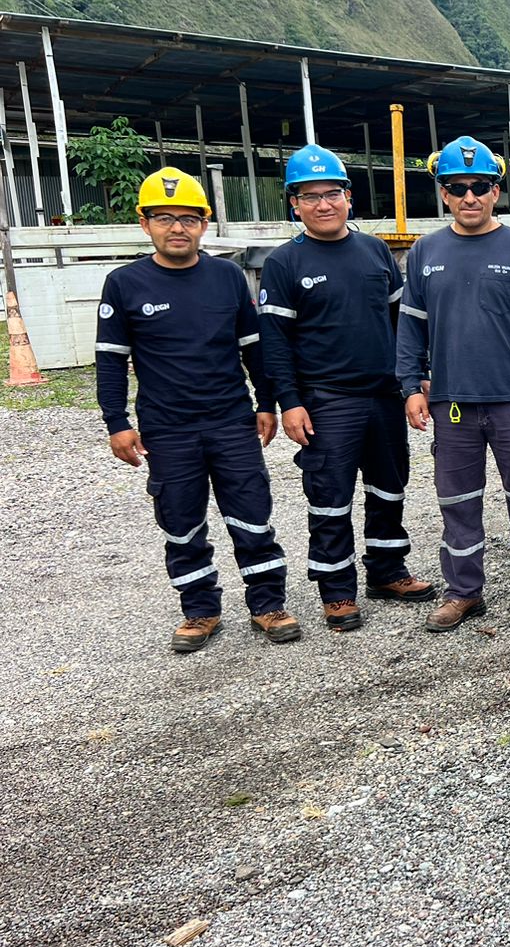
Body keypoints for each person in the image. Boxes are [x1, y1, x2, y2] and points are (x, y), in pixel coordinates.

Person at [95, 168, 300, 653]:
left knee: (251, 515)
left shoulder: (227, 276)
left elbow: (254, 350)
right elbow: (110, 362)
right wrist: (117, 423)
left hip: (231, 422)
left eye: (189, 218)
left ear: (204, 225)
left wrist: (266, 404)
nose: (177, 228)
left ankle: (267, 604)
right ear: (144, 224)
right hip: (168, 430)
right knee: (181, 521)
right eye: (164, 218)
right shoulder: (125, 284)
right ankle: (200, 610)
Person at [257, 144, 435, 632]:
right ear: (294, 203)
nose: (322, 204)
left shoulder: (375, 250)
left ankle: (387, 571)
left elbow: (404, 323)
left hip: (383, 396)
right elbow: (274, 344)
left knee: (388, 488)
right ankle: (336, 592)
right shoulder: (283, 264)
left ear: (348, 197)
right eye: (308, 196)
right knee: (330, 498)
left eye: (331, 193)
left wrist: (415, 376)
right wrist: (287, 403)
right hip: (325, 400)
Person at [395, 136, 510, 632]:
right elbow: (410, 328)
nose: (470, 196)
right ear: (443, 193)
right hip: (452, 405)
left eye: (480, 186)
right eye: (457, 187)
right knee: (457, 501)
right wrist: (410, 386)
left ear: (496, 190)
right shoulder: (426, 252)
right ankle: (464, 592)